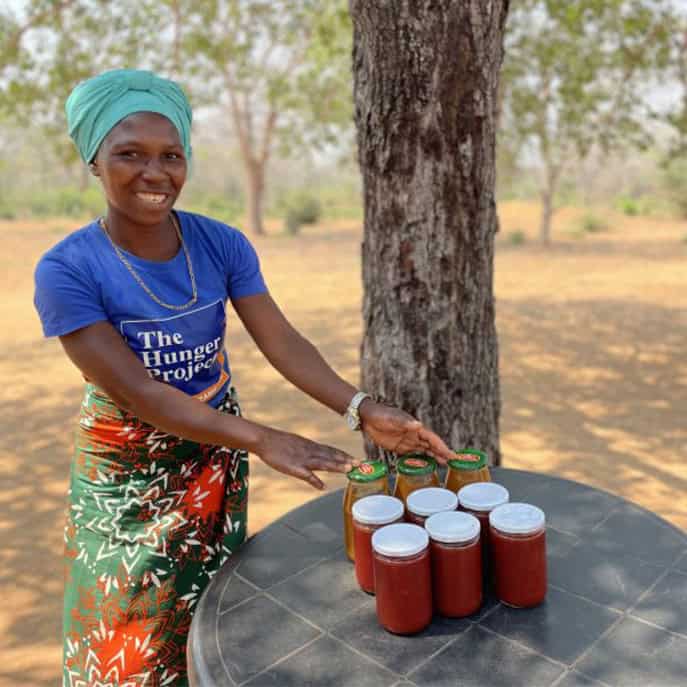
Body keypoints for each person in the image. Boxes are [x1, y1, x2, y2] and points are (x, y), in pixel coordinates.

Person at [33, 69, 453, 687]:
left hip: (215, 453)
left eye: (171, 156)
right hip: (129, 471)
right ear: (94, 162)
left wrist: (361, 407)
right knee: (127, 628)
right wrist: (260, 438)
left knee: (211, 612)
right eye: (129, 154)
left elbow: (280, 340)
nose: (155, 173)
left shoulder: (221, 244)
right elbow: (140, 394)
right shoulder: (67, 269)